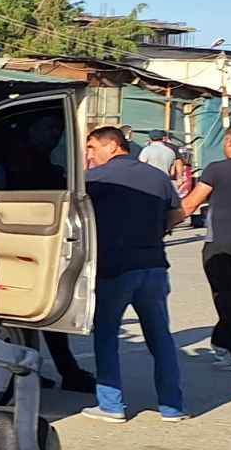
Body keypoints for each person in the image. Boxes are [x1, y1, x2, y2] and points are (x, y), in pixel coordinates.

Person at [81, 126, 188, 422]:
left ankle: (111, 405)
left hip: (115, 268)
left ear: (112, 145)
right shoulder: (157, 176)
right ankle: (172, 406)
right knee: (160, 337)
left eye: (92, 147)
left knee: (105, 335)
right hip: (154, 266)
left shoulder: (94, 179)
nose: (89, 154)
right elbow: (175, 215)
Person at [183, 122, 231, 373]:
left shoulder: (217, 170)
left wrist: (163, 223)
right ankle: (222, 343)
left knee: (225, 296)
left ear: (229, 142)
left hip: (221, 242)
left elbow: (191, 203)